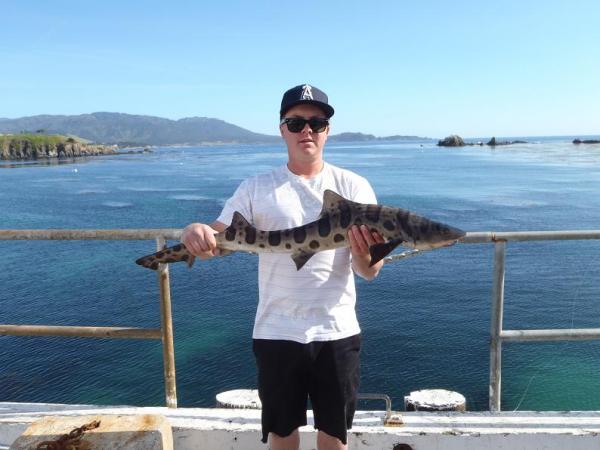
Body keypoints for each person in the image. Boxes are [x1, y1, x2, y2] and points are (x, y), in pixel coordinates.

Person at [181, 84, 384, 450]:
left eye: (317, 122)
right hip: (276, 330)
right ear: (282, 129)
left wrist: (362, 253)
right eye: (296, 122)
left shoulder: (354, 186)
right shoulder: (257, 187)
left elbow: (369, 271)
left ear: (327, 130)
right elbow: (218, 238)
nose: (307, 130)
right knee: (282, 436)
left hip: (337, 330)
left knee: (335, 439)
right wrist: (195, 231)